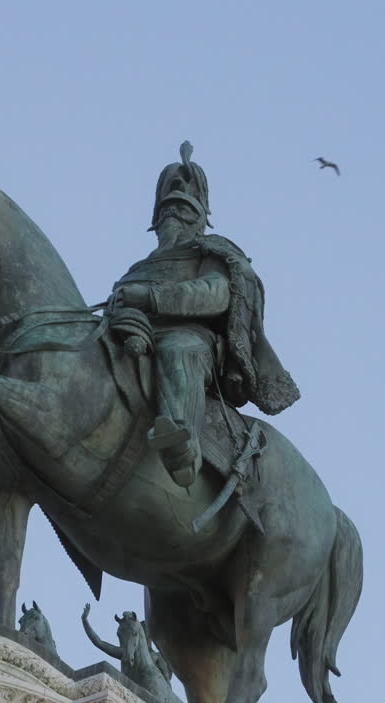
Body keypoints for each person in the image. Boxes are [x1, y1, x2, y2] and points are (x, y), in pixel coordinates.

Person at [112, 142, 300, 487]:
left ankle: (182, 445)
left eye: (186, 202)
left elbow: (215, 294)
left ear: (201, 216)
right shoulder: (137, 268)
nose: (176, 200)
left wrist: (150, 297)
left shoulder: (215, 250)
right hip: (133, 333)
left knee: (176, 350)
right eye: (169, 202)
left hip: (195, 342)